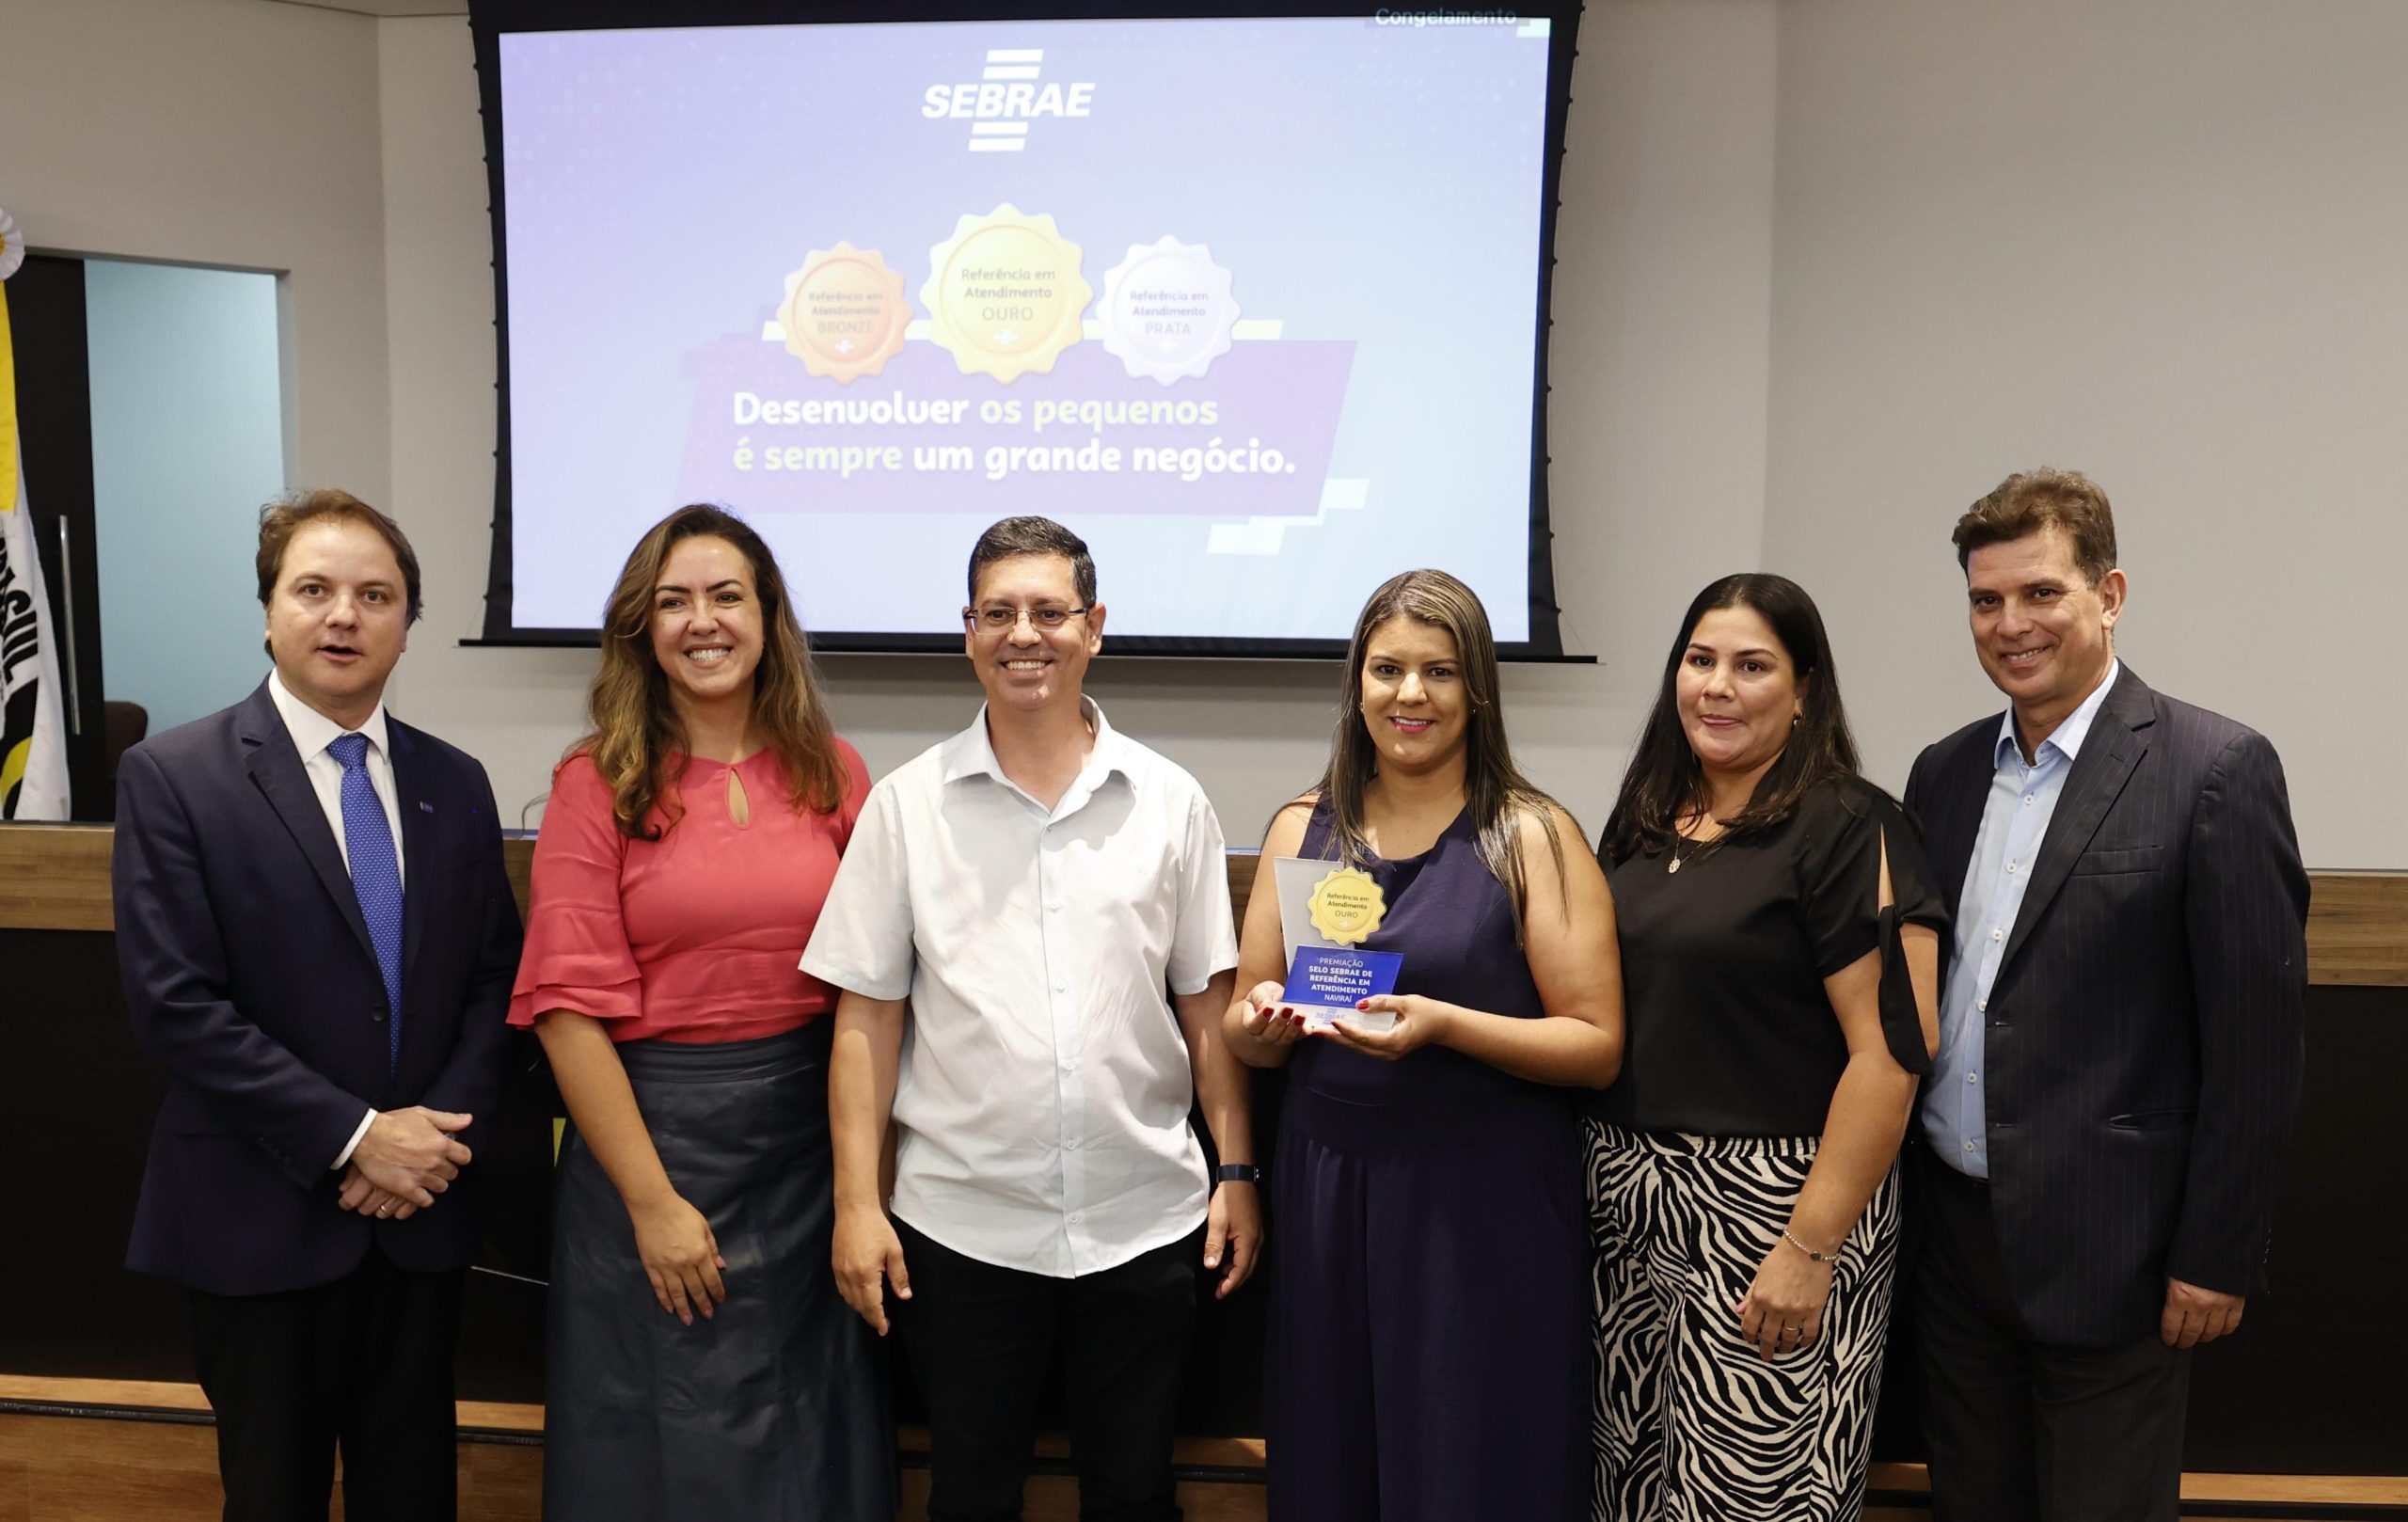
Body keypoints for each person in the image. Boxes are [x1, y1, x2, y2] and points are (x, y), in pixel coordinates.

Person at [803, 515, 1257, 1522]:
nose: (1024, 634)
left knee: (1134, 1494)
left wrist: (1235, 1170)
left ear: (1095, 626)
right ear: (966, 631)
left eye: (1049, 611)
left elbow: (1206, 1008)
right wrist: (854, 1205)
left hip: (1146, 1221)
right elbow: (863, 1025)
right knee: (968, 1495)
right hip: (960, 1229)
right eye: (997, 612)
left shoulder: (1169, 802)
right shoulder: (906, 807)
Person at [1903, 468, 2306, 1522]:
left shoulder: (2213, 768)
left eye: (2041, 593)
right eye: (1986, 600)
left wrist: (2215, 1255)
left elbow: (2256, 1048)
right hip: (1953, 1249)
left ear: (2109, 594)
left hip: (2114, 1256)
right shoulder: (1941, 775)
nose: (2010, 624)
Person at [113, 489, 521, 1522]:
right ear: (267, 612)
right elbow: (175, 1003)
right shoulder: (174, 775)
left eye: (374, 595)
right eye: (314, 589)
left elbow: (491, 981)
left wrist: (422, 1145)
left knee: (413, 1493)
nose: (344, 615)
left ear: (405, 623)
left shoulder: (457, 781)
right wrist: (355, 1139)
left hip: (420, 1217)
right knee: (273, 1497)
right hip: (260, 1216)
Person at [507, 504, 890, 1519]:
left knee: (810, 1430)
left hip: (811, 1154)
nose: (701, 620)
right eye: (672, 601)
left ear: (768, 617)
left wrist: (863, 1189)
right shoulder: (596, 782)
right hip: (654, 1153)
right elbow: (564, 1013)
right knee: (657, 1444)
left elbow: (872, 989)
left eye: (726, 595)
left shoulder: (833, 770)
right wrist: (652, 1203)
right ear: (642, 627)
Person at [1224, 569, 1622, 1522]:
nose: (1411, 694)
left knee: (1469, 1462)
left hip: (1480, 1198)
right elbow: (1253, 1028)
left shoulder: (1530, 834)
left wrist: (1443, 1024)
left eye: (1438, 672)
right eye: (1388, 669)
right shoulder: (1301, 826)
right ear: (1356, 683)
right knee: (1334, 1459)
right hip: (1328, 1189)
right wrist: (1262, 1020)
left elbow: (1597, 1043)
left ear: (1476, 689)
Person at [1585, 572, 1944, 1522]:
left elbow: (1893, 1053)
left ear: (1804, 689)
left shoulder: (1848, 823)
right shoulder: (1640, 819)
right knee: (1625, 1491)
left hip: (1773, 1212)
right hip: (1624, 1214)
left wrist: (1807, 1245)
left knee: (1754, 1500)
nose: (1717, 686)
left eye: (1752, 666)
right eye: (1699, 660)